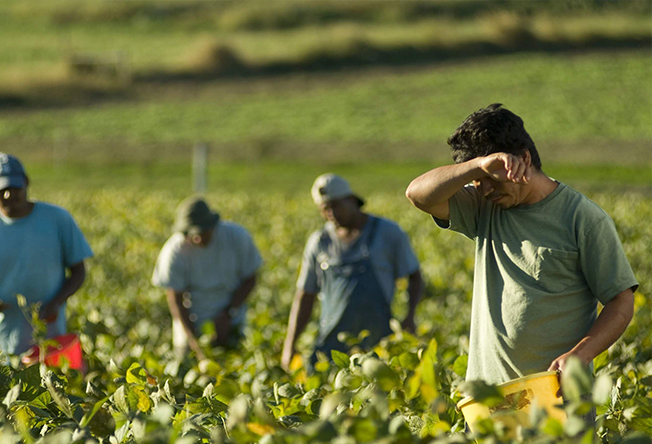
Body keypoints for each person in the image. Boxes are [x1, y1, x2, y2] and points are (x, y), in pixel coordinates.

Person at [405, 104, 638, 386]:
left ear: (524, 159)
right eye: (477, 181)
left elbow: (621, 300)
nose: (485, 189)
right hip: (489, 396)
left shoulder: (582, 218)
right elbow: (417, 194)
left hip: (556, 393)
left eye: (491, 178)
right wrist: (477, 166)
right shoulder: (483, 207)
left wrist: (581, 354)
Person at [0, 153, 93, 359]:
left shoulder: (57, 219)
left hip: (49, 342)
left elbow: (79, 272)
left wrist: (56, 302)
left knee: (48, 378)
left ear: (26, 182)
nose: (9, 195)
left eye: (14, 187)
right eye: (2, 190)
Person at [281, 174, 424, 370]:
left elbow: (414, 276)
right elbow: (305, 295)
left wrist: (410, 315)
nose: (331, 213)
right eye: (324, 209)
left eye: (336, 205)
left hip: (379, 342)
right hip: (332, 345)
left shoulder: (387, 232)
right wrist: (290, 345)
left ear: (351, 200)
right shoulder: (319, 242)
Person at [152, 197, 262, 361]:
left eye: (202, 232)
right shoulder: (174, 251)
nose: (198, 239)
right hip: (190, 323)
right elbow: (175, 299)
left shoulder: (236, 237)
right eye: (192, 235)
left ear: (213, 225)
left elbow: (250, 279)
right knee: (187, 365)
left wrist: (228, 314)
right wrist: (193, 340)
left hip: (232, 321)